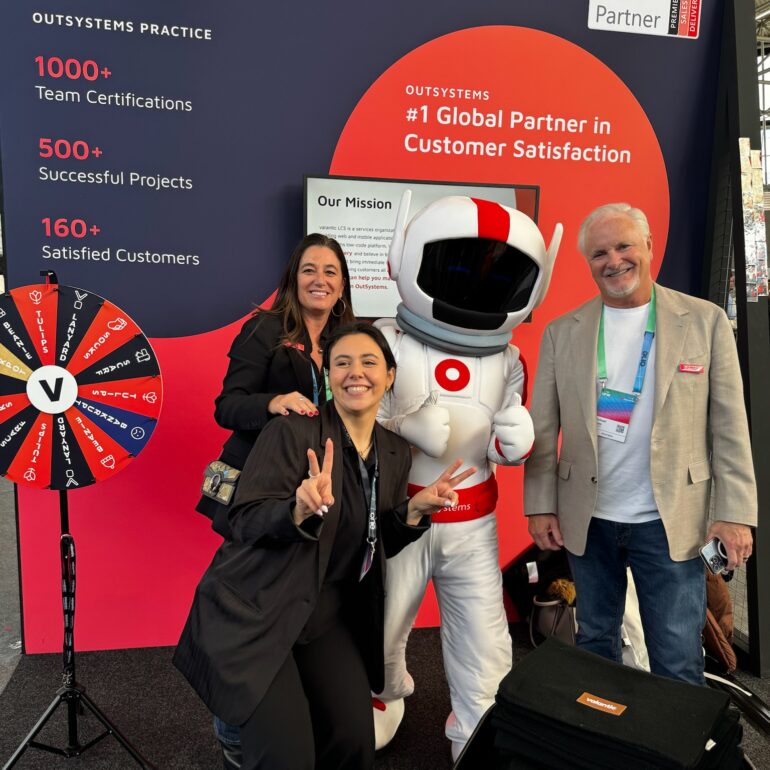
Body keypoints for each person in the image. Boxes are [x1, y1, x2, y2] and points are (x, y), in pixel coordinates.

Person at [175, 323, 475, 770]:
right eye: (342, 363)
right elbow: (243, 519)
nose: (356, 372)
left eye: (369, 362)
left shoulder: (393, 452)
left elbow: (374, 538)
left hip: (325, 614)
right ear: (329, 376)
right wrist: (295, 510)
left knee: (354, 744)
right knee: (286, 757)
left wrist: (413, 511)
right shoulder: (293, 433)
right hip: (259, 608)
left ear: (389, 376)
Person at [524, 202, 757, 686]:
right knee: (595, 646)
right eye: (599, 253)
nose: (614, 260)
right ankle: (607, 744)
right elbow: (543, 431)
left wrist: (735, 514)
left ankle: (678, 759)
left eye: (624, 245)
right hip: (588, 517)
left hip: (669, 520)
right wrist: (539, 505)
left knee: (676, 655)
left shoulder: (705, 321)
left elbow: (730, 428)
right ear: (588, 262)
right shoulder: (560, 333)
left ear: (648, 247)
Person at [372, 192, 561, 760]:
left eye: (498, 275)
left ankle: (478, 734)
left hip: (474, 522)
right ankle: (385, 694)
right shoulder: (386, 340)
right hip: (400, 516)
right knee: (379, 626)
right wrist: (401, 425)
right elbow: (352, 412)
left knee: (483, 643)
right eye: (458, 264)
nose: (476, 284)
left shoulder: (509, 360)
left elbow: (504, 443)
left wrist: (514, 442)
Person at [195, 232, 355, 765]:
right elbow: (226, 406)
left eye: (331, 272)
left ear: (342, 285)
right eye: (310, 270)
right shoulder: (263, 329)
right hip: (258, 487)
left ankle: (287, 709)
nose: (320, 281)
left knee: (300, 600)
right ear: (293, 277)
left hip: (317, 488)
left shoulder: (345, 337)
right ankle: (234, 732)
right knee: (249, 609)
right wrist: (274, 402)